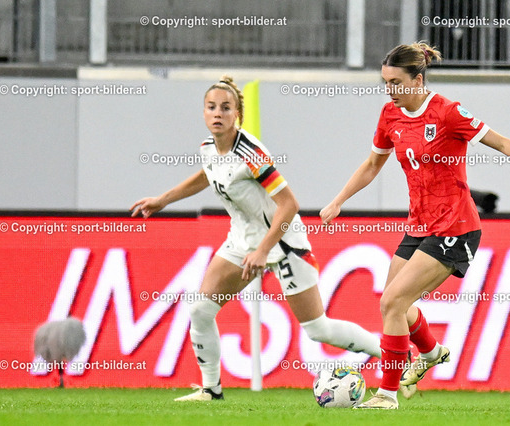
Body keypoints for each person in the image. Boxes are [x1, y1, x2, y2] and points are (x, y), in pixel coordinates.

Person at [130, 76, 400, 402]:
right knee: (200, 310)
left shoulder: (252, 154)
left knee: (318, 329)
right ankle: (211, 390)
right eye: (211, 107)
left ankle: (394, 356)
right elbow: (206, 175)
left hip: (283, 242)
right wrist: (162, 200)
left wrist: (263, 250)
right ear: (203, 113)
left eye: (225, 108)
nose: (218, 113)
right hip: (242, 241)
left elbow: (290, 205)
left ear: (237, 114)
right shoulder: (207, 149)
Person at [320, 42, 510, 409]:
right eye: (386, 82)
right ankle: (431, 352)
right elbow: (372, 165)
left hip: (455, 227)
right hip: (418, 226)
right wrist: (339, 200)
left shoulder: (447, 112)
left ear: (418, 80)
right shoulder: (390, 115)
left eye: (396, 82)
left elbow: (498, 141)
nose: (390, 90)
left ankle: (386, 395)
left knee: (394, 302)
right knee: (393, 306)